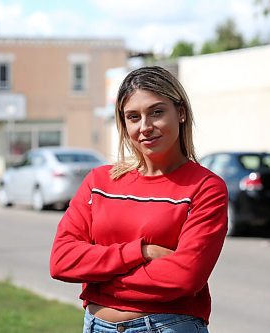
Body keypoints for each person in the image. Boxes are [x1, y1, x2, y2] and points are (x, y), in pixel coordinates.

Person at [50, 66, 228, 332]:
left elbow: (184, 278)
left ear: (180, 113)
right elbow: (62, 260)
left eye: (157, 112)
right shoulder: (99, 182)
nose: (145, 127)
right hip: (96, 326)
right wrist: (142, 252)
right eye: (133, 117)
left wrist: (98, 278)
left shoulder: (205, 187)